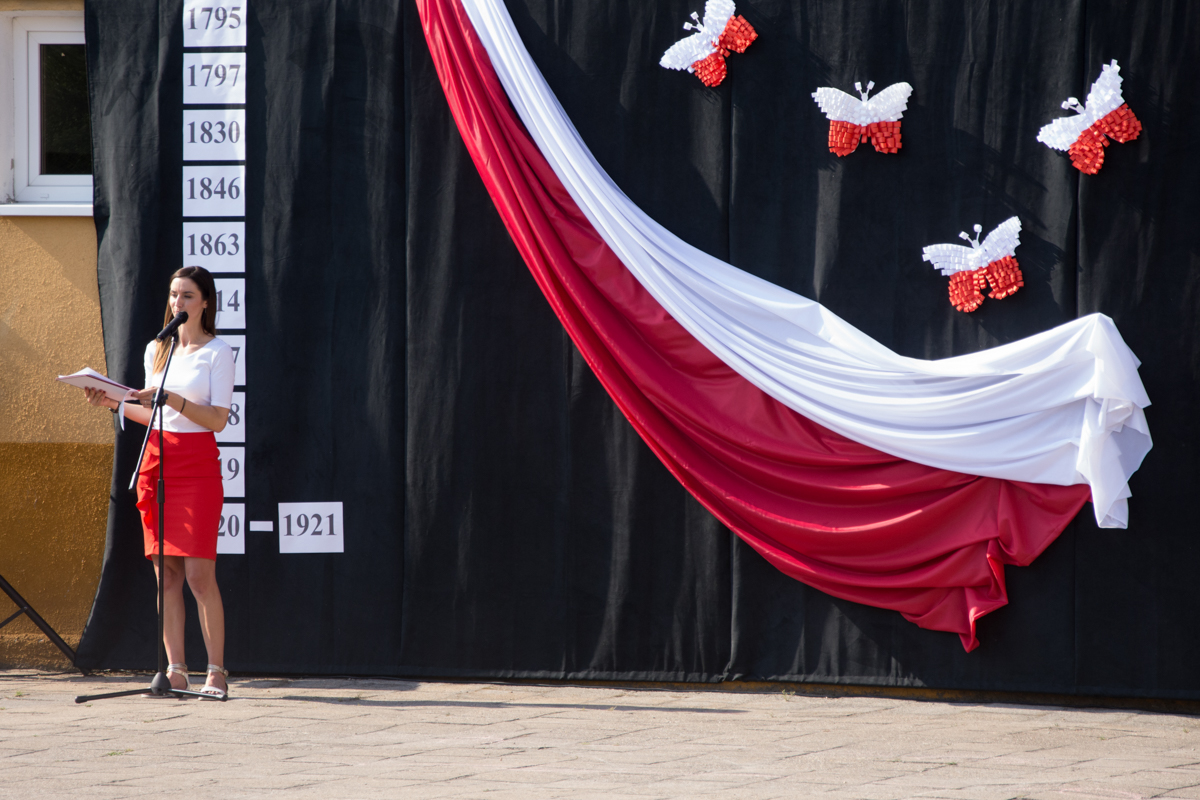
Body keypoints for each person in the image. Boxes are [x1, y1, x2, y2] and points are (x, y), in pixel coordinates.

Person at [84, 266, 235, 698]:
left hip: (196, 465)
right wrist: (112, 402)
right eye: (173, 295)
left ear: (205, 302)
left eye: (187, 296)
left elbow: (217, 420)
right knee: (166, 577)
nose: (177, 303)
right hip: (157, 461)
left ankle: (216, 672)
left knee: (199, 577)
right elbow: (152, 414)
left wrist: (175, 399)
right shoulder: (158, 349)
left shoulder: (217, 352)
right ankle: (176, 670)